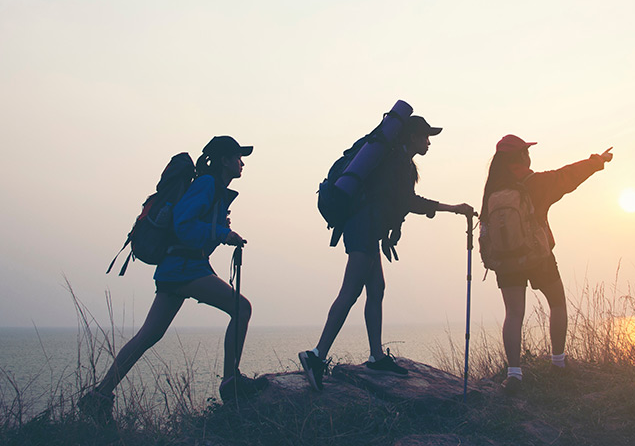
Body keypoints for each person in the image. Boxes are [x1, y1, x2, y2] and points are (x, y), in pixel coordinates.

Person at [80, 136, 266, 421]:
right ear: (225, 160)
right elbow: (182, 223)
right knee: (242, 308)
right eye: (239, 157)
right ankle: (231, 383)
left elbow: (193, 226)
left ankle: (99, 395)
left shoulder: (212, 187)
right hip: (185, 267)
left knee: (149, 335)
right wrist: (220, 233)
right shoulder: (206, 184)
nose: (242, 163)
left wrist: (218, 229)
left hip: (177, 268)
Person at [299, 115, 474, 391]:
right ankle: (316, 356)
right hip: (364, 228)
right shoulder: (397, 164)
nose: (429, 142)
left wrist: (393, 230)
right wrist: (452, 208)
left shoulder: (398, 162)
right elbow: (408, 202)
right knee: (351, 291)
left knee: (377, 288)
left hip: (366, 227)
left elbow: (393, 203)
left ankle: (376, 356)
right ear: (412, 137)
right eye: (425, 136)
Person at [480, 134, 613, 395]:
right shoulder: (535, 183)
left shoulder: (492, 190)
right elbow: (567, 176)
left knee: (514, 314)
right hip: (538, 256)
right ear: (520, 156)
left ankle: (515, 374)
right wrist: (597, 161)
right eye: (526, 151)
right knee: (557, 303)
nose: (529, 155)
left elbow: (486, 227)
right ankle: (558, 362)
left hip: (507, 262)